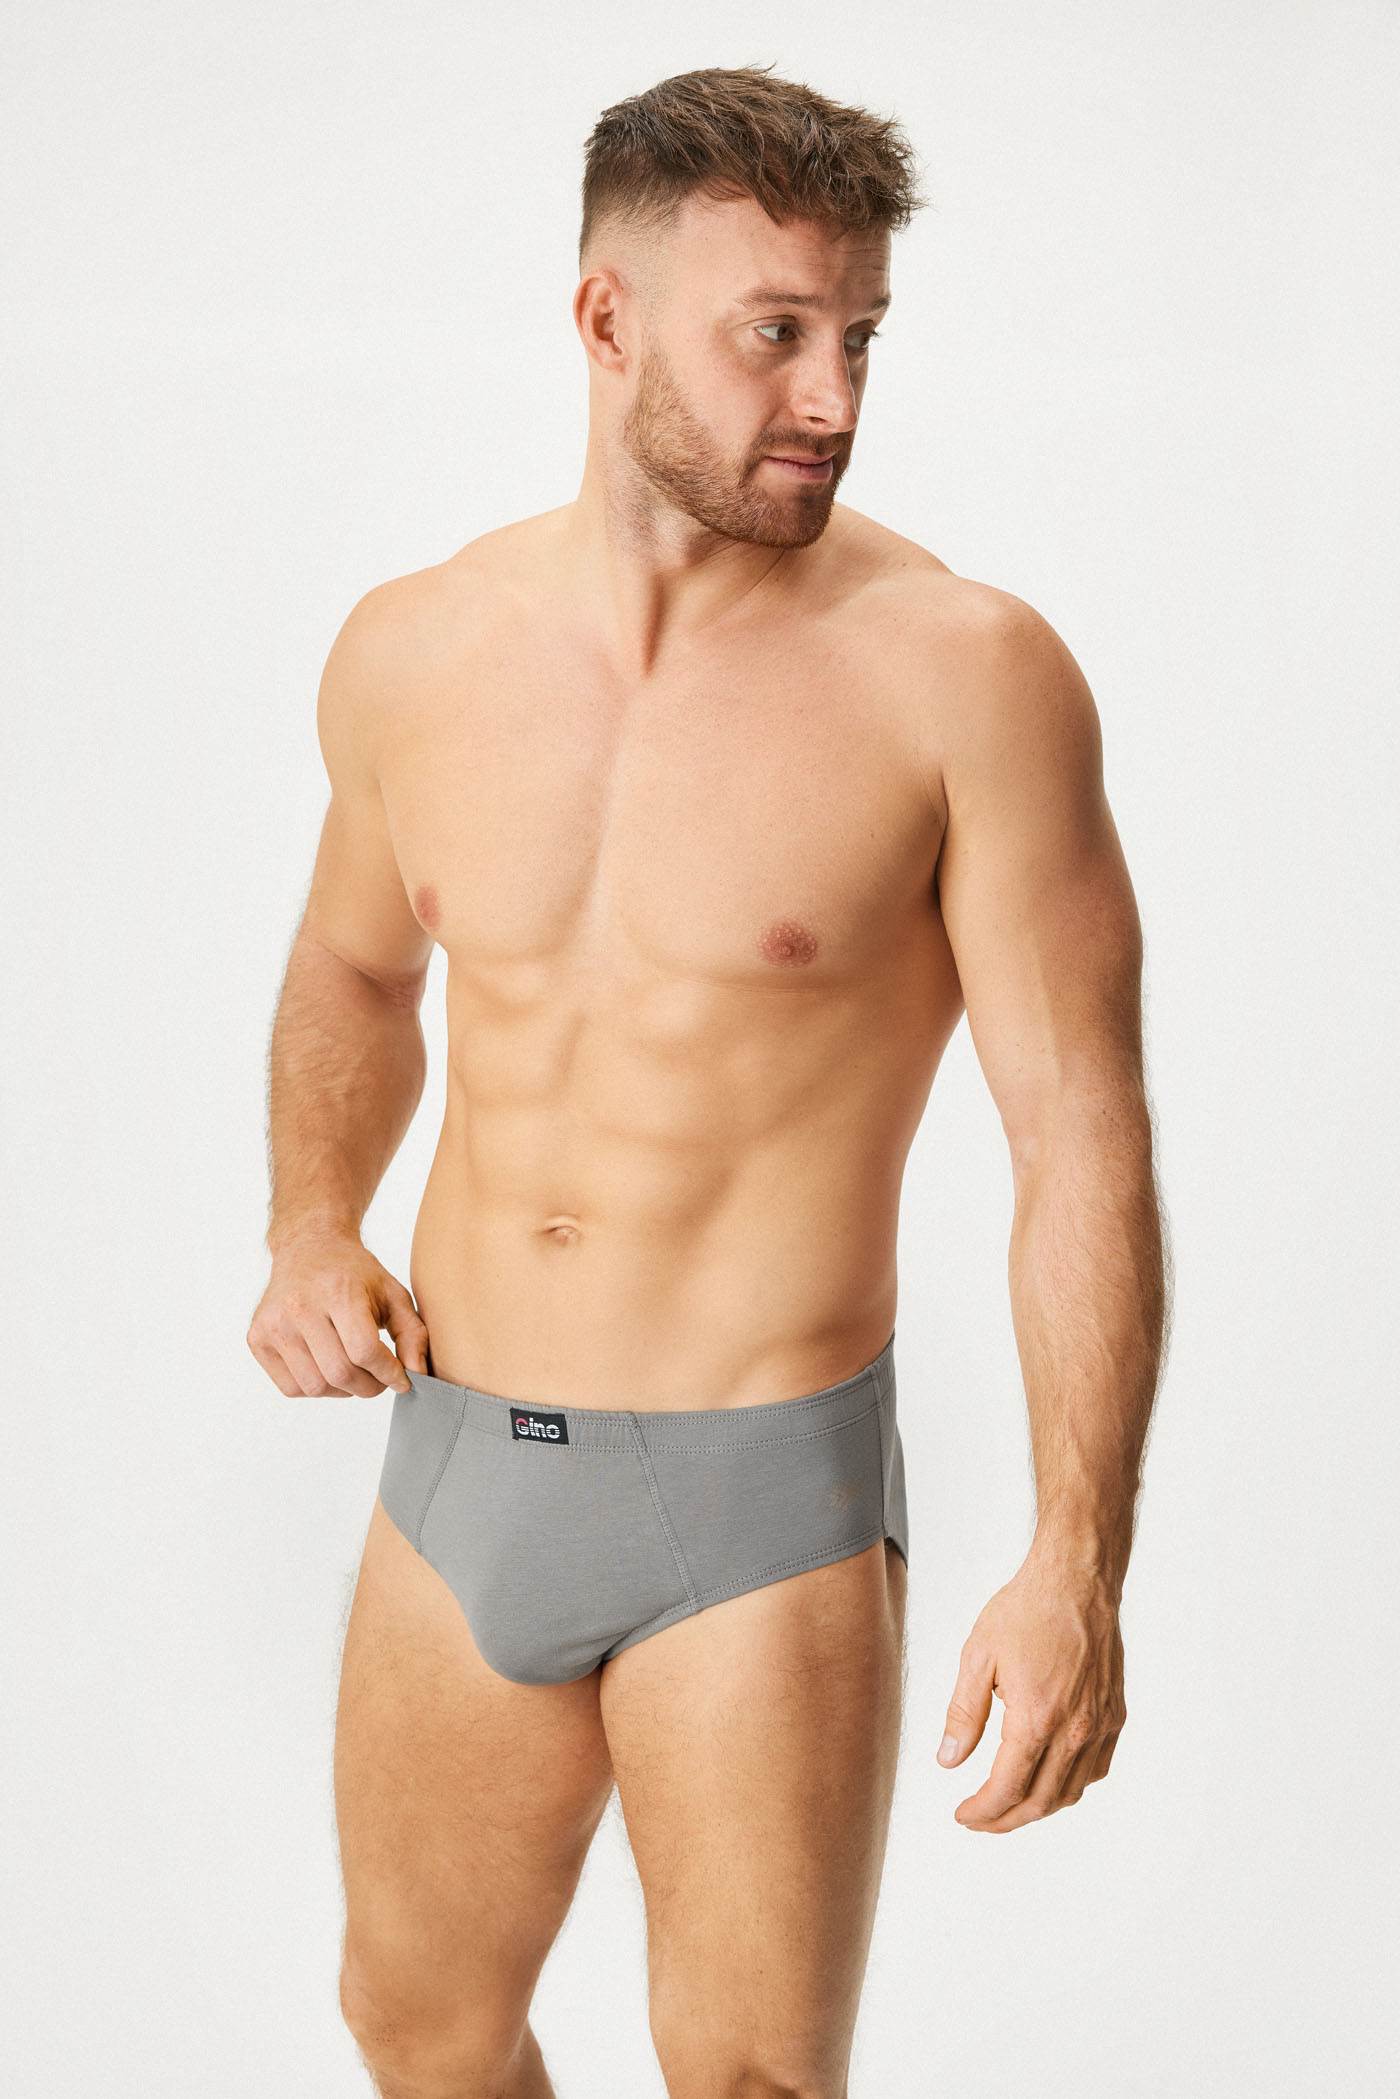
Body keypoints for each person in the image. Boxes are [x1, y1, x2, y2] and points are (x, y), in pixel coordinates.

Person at [247, 61, 1168, 2099]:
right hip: (459, 1465)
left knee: (748, 2078)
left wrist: (1074, 1557)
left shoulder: (964, 673)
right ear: (607, 320)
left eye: (862, 337)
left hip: (762, 1504)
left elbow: (1077, 1130)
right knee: (416, 2026)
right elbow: (353, 967)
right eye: (777, 334)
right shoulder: (417, 649)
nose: (834, 397)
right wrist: (312, 1219)